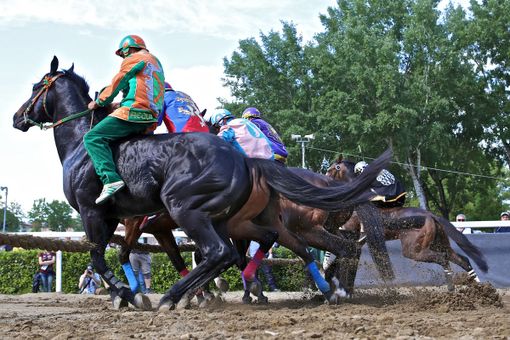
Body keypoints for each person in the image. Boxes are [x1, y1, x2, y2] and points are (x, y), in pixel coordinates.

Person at [84, 34, 165, 204]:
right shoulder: (156, 62)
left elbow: (119, 81)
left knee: (92, 138)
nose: (122, 57)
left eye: (122, 53)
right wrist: (119, 104)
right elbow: (141, 88)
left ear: (128, 49)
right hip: (151, 117)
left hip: (134, 113)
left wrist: (99, 102)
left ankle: (110, 179)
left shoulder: (134, 58)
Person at [203, 108, 274, 160]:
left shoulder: (229, 127)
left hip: (256, 165)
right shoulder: (247, 122)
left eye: (217, 127)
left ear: (222, 121)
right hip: (271, 159)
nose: (218, 130)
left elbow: (218, 142)